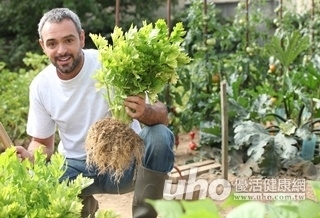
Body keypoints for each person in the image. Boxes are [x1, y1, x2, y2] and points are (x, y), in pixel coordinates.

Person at [15, 8, 175, 218]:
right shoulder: (41, 86)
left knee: (160, 135)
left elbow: (162, 114)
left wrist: (144, 112)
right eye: (52, 43)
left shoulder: (112, 64)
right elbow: (43, 144)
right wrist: (30, 155)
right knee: (45, 179)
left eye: (69, 40)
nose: (61, 50)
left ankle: (145, 215)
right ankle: (82, 205)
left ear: (81, 38)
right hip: (75, 171)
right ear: (42, 46)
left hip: (125, 163)